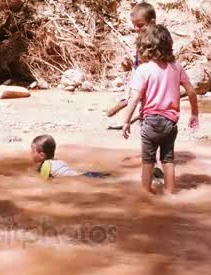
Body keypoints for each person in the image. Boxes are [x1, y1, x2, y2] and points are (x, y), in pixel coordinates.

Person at [118, 24, 199, 194]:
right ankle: (171, 193)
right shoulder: (176, 67)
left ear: (144, 47)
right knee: (168, 160)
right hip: (171, 123)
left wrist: (125, 121)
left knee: (148, 161)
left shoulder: (144, 70)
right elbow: (191, 91)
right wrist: (194, 114)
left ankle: (146, 194)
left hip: (151, 122)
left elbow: (134, 99)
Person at [106, 2, 165, 181]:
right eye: (135, 26)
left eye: (140, 26)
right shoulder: (143, 40)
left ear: (152, 22)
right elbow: (137, 67)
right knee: (147, 124)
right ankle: (154, 162)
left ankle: (153, 165)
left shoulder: (160, 41)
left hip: (153, 91)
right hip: (143, 90)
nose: (137, 29)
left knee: (150, 125)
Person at [31, 135, 110, 180]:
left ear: (42, 155)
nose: (31, 153)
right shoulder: (58, 161)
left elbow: (44, 182)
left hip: (81, 178)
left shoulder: (45, 166)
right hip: (85, 174)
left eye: (32, 151)